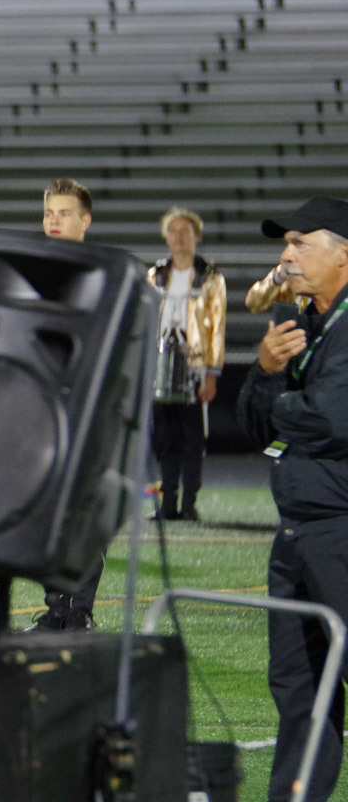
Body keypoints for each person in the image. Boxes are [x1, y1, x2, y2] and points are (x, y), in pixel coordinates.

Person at [236, 197, 348, 802]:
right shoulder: (301, 323)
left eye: (301, 242)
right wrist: (264, 368)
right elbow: (255, 427)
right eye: (286, 244)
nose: (286, 255)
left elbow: (331, 419)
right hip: (297, 531)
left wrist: (278, 401)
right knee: (298, 686)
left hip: (341, 528)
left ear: (344, 254)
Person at [29, 176, 109, 631]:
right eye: (48, 213)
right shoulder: (35, 274)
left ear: (85, 221)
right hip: (42, 406)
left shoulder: (101, 276)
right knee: (45, 511)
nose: (53, 221)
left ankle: (81, 610)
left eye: (64, 213)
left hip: (87, 405)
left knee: (84, 513)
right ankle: (56, 607)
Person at [147, 207, 225, 521]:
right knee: (164, 439)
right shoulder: (155, 274)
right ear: (166, 237)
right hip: (161, 364)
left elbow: (217, 327)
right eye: (173, 231)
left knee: (192, 439)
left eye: (185, 231)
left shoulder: (210, 276)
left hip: (194, 366)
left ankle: (189, 504)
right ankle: (167, 504)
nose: (179, 237)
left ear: (197, 237)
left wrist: (211, 373)